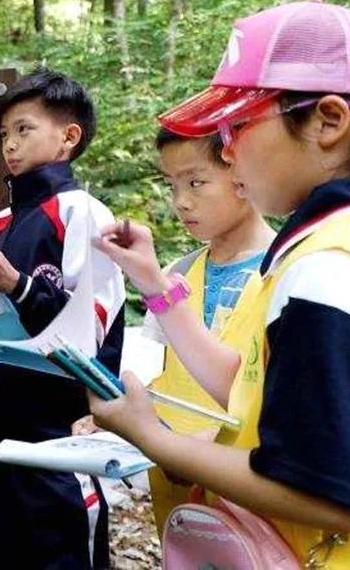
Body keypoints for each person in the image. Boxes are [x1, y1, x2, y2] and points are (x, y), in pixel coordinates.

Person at [92, 0, 350, 568]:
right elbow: (252, 386)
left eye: (236, 126)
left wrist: (153, 437)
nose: (227, 149)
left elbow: (322, 492)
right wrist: (153, 281)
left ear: (328, 121)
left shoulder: (330, 272)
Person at [0, 68, 125, 569]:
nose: (10, 144)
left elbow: (91, 331)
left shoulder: (83, 213)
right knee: (6, 552)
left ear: (68, 137)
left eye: (24, 129)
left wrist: (19, 285)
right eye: (4, 133)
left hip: (60, 426)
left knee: (62, 549)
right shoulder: (1, 222)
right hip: (0, 420)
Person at [143, 128, 274, 531]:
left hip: (252, 492)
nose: (181, 202)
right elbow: (155, 371)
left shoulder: (284, 271)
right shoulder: (175, 274)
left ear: (243, 175)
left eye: (196, 182)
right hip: (171, 483)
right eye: (173, 185)